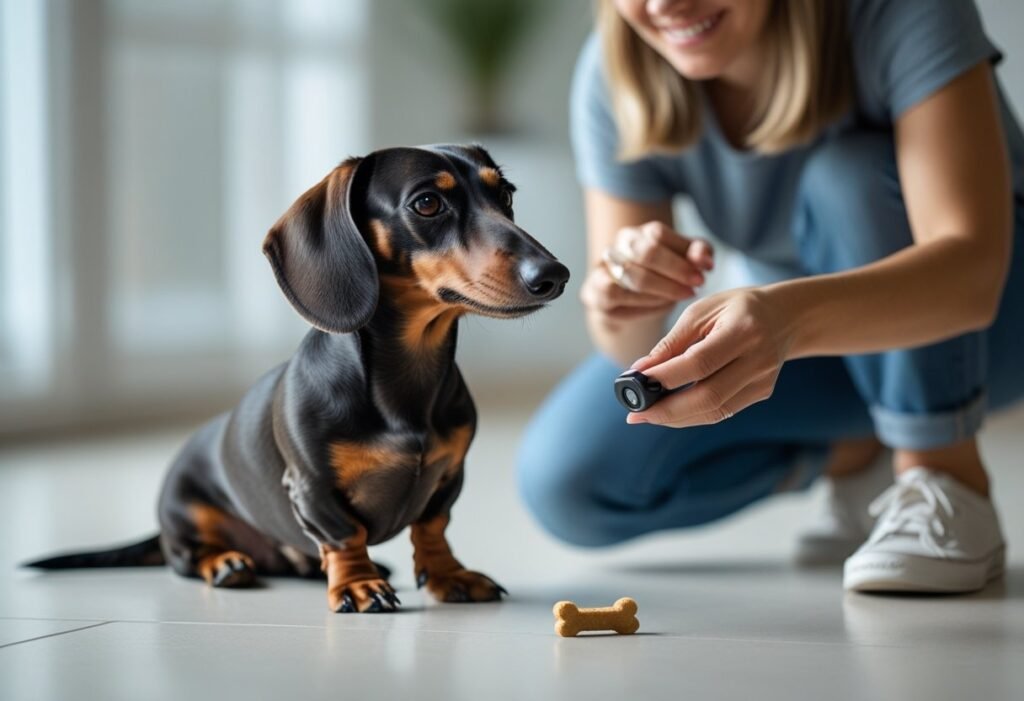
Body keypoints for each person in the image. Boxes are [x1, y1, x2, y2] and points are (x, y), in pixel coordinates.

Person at [517, 0, 1024, 593]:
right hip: (816, 343)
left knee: (847, 179)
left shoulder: (901, 12)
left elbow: (972, 275)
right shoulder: (616, 70)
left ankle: (944, 476)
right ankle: (858, 456)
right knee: (568, 482)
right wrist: (619, 299)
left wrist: (785, 320)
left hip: (986, 330)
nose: (663, 5)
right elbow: (629, 345)